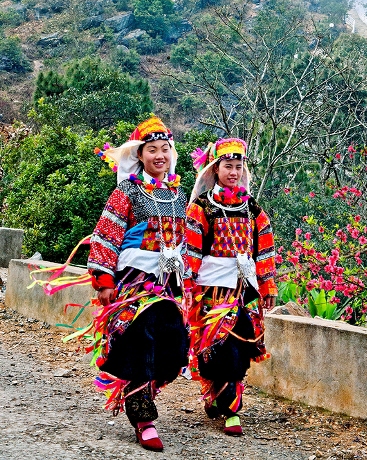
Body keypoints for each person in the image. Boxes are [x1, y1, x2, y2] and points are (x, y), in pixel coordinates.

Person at [87, 116, 189, 451]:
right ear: (140, 155)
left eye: (165, 149)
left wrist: (188, 277)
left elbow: (182, 242)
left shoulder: (176, 193)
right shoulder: (126, 191)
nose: (160, 155)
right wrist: (103, 279)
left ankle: (140, 388)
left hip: (168, 283)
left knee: (174, 342)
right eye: (152, 150)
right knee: (141, 337)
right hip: (135, 281)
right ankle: (143, 418)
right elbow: (107, 233)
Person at [184, 137, 277, 437]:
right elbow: (192, 250)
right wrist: (187, 285)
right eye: (228, 166)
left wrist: (268, 286)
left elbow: (264, 248)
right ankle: (216, 392)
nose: (233, 172)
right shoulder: (202, 207)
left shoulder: (251, 207)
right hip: (212, 291)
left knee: (239, 345)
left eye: (239, 167)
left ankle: (231, 409)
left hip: (244, 290)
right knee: (214, 347)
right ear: (215, 168)